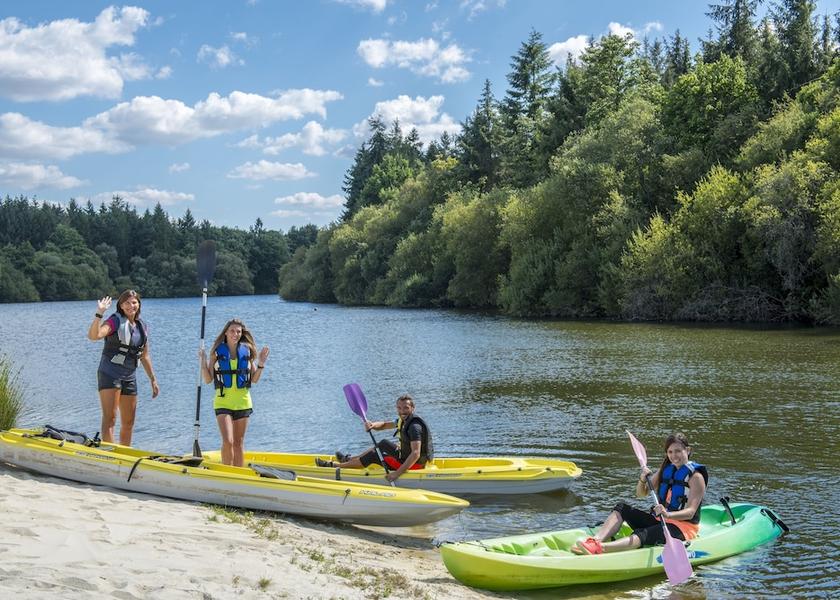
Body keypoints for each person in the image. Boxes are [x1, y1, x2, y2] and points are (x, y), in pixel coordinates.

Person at [572, 432, 708, 555]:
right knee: (621, 508)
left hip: (683, 528)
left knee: (643, 533)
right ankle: (594, 541)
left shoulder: (696, 477)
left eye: (678, 451)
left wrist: (668, 514)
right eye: (670, 452)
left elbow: (690, 512)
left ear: (688, 450)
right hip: (660, 520)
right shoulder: (666, 471)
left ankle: (601, 548)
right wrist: (642, 479)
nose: (673, 456)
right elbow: (641, 494)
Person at [87, 290, 159, 446]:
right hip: (110, 374)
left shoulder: (142, 326)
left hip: (129, 377)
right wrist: (99, 313)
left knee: (128, 422)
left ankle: (124, 456)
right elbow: (94, 336)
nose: (131, 305)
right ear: (120, 305)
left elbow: (145, 356)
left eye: (134, 302)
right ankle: (110, 455)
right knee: (110, 419)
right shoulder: (115, 321)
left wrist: (153, 380)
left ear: (138, 304)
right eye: (126, 302)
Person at [316, 394, 434, 483]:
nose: (402, 411)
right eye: (399, 408)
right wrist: (372, 425)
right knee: (383, 444)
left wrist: (396, 474)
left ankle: (335, 466)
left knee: (375, 454)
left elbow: (415, 454)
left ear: (413, 408)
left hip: (415, 466)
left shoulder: (414, 427)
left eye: (406, 408)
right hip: (404, 457)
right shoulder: (402, 421)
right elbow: (383, 425)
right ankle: (349, 459)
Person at [200, 318, 269, 467]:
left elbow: (255, 379)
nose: (235, 334)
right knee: (228, 441)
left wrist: (261, 364)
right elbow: (207, 379)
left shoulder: (246, 352)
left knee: (238, 443)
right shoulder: (217, 353)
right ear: (226, 333)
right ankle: (226, 473)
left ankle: (239, 475)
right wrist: (203, 362)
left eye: (238, 331)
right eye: (232, 331)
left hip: (243, 402)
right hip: (223, 402)